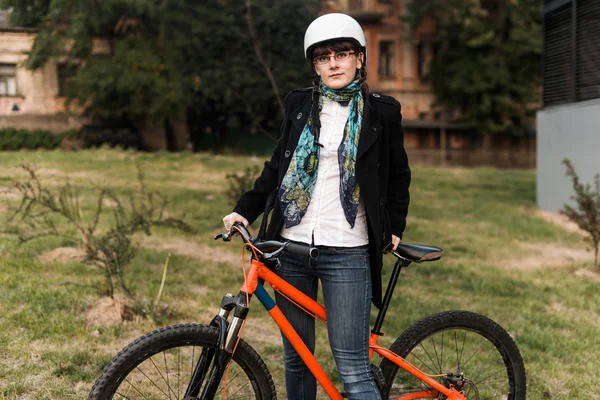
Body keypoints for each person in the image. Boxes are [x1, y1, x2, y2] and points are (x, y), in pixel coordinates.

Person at [222, 13, 410, 400]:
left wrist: (394, 224)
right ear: (315, 66)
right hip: (290, 248)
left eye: (342, 54)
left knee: (353, 368)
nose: (333, 64)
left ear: (360, 58)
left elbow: (398, 175)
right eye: (323, 58)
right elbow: (278, 166)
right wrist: (245, 208)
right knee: (298, 359)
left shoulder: (382, 111)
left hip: (347, 249)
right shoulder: (299, 104)